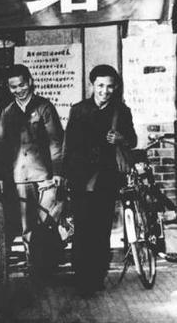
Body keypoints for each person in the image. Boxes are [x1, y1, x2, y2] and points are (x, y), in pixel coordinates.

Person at [64, 64, 137, 296]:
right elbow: (69, 145)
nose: (105, 91)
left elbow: (133, 140)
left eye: (110, 86)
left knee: (101, 228)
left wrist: (121, 138)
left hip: (106, 178)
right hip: (81, 178)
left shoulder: (121, 111)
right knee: (82, 227)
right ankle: (81, 276)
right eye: (100, 85)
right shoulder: (79, 110)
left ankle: (96, 276)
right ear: (92, 85)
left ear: (115, 88)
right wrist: (67, 176)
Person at [0, 64, 64, 273]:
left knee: (47, 220)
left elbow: (56, 142)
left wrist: (58, 172)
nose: (19, 90)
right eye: (13, 87)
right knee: (27, 225)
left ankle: (49, 264)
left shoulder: (44, 107)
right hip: (20, 177)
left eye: (22, 85)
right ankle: (34, 265)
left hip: (44, 176)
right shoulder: (7, 112)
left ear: (30, 82)